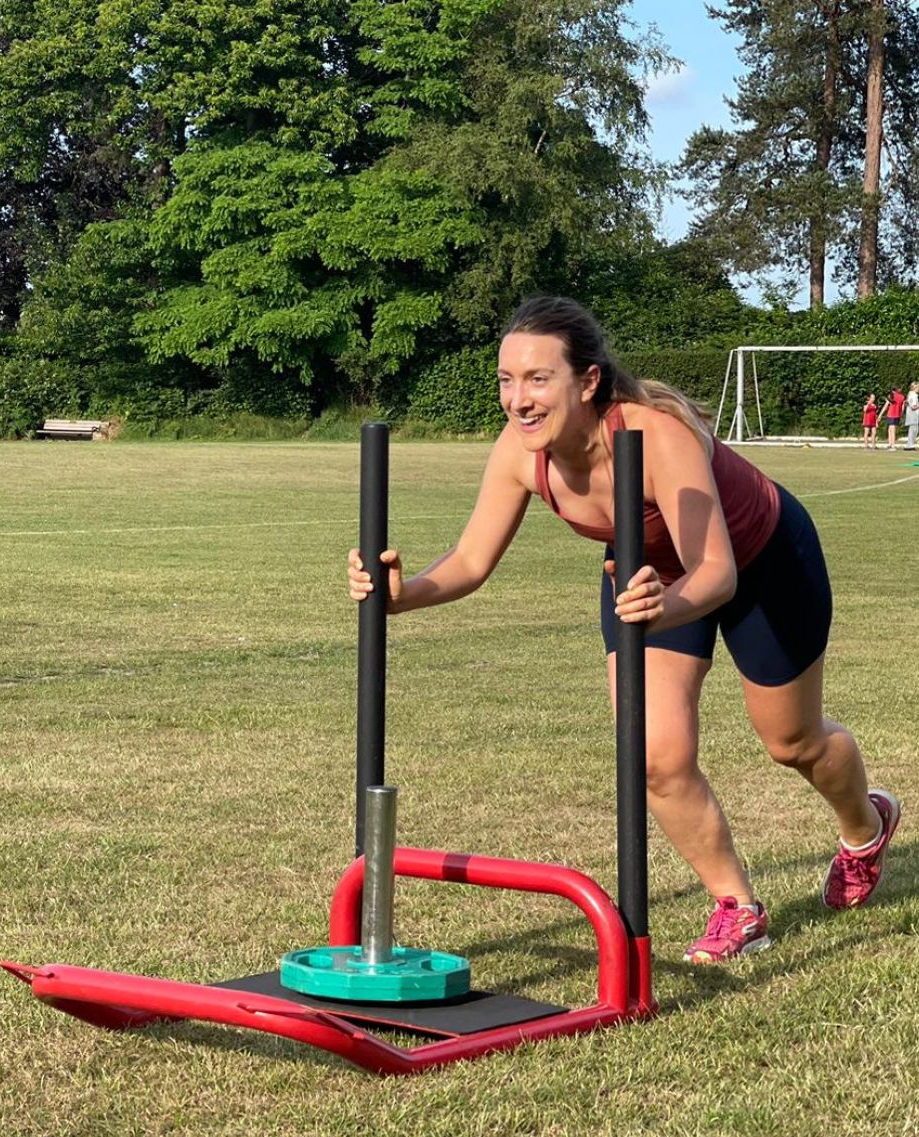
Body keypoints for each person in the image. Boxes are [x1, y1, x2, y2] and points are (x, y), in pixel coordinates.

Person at [348, 296, 900, 963]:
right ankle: (737, 906)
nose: (518, 399)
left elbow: (715, 570)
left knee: (792, 741)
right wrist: (402, 597)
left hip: (760, 562)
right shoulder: (523, 455)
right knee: (654, 755)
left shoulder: (654, 433)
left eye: (537, 379)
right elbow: (469, 561)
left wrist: (660, 611)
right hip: (645, 581)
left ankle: (865, 828)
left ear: (586, 381)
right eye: (506, 380)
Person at [904, 382, 919, 451]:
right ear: (915, 387)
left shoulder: (911, 395)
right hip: (913, 415)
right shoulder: (913, 395)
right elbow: (913, 406)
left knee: (913, 430)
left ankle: (910, 444)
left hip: (913, 415)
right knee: (913, 431)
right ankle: (909, 445)